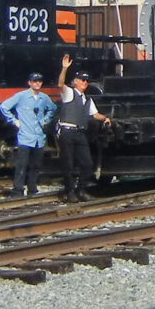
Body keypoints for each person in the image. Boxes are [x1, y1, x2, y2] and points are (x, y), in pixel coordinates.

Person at [57, 55, 112, 202]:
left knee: (87, 163)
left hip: (80, 132)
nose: (85, 83)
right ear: (75, 81)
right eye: (82, 80)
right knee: (68, 164)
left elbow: (94, 114)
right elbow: (60, 84)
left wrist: (105, 118)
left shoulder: (88, 99)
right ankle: (70, 192)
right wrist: (64, 68)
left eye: (86, 80)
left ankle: (81, 190)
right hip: (67, 131)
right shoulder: (69, 93)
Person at [0, 72, 57, 197]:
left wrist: (45, 120)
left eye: (39, 81)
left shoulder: (44, 98)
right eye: (35, 81)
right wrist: (14, 121)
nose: (37, 83)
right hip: (25, 136)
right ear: (29, 83)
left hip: (39, 137)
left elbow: (52, 108)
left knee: (36, 165)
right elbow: (4, 107)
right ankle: (18, 190)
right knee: (21, 165)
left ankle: (32, 189)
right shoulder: (21, 96)